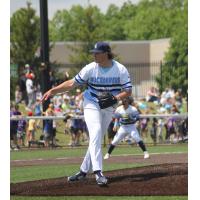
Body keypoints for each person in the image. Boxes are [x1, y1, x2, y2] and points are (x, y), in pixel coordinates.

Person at [41, 41, 132, 186]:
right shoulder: (90, 68)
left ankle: (83, 171)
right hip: (91, 103)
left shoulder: (120, 69)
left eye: (97, 52)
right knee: (95, 132)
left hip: (109, 106)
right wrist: (53, 91)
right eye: (93, 53)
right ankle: (98, 172)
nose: (94, 55)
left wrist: (115, 98)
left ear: (106, 53)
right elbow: (72, 83)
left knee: (97, 137)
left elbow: (128, 91)